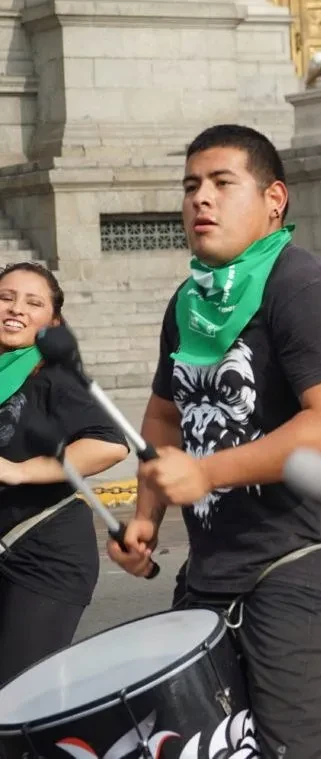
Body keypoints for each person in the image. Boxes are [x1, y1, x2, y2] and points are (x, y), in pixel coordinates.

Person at [107, 124, 321, 758]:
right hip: (207, 575)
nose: (201, 199)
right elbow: (165, 418)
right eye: (191, 186)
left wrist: (210, 472)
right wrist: (146, 517)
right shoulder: (190, 301)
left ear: (274, 198)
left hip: (290, 573)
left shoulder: (303, 289)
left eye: (223, 183)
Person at [0, 263, 129, 685]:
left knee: (17, 699)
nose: (15, 309)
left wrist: (20, 472)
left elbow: (109, 443)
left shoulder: (55, 377)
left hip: (44, 556)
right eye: (5, 298)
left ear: (52, 321)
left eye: (32, 302)